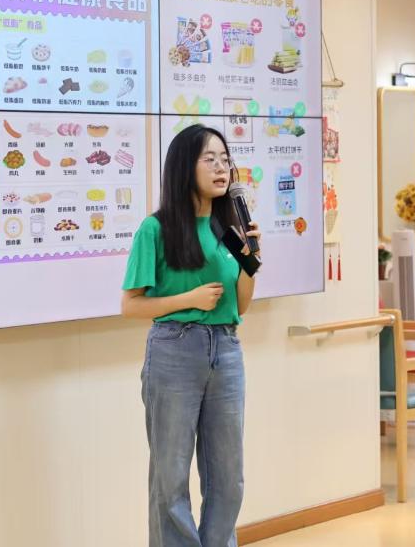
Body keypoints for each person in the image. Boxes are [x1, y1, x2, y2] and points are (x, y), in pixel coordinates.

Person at [121, 124, 260, 547]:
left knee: (228, 477)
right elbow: (131, 305)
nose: (221, 168)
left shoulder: (228, 229)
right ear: (185, 166)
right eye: (210, 159)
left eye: (225, 160)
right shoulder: (156, 229)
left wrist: (251, 262)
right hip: (174, 349)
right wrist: (189, 299)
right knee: (171, 477)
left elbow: (241, 305)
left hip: (227, 350)